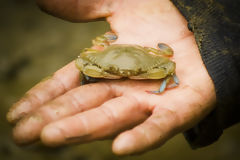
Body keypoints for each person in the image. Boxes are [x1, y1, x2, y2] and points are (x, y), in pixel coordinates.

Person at [6, 0, 240, 155]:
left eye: (133, 73)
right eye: (121, 73)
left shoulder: (154, 59)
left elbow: (170, 68)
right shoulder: (107, 55)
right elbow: (84, 60)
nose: (126, 75)